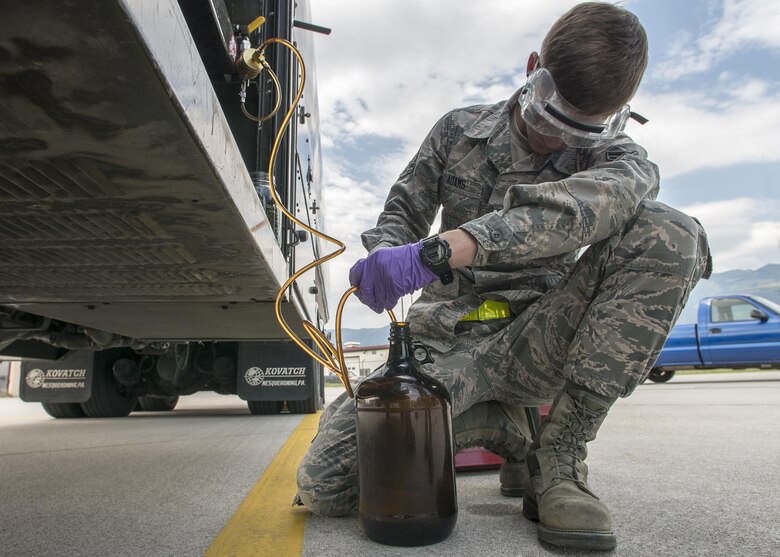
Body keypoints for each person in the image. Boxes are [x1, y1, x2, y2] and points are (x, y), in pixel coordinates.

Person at [296, 2, 711, 551]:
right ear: (532, 68)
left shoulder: (618, 158)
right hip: (446, 338)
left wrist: (448, 249)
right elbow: (402, 212)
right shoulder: (458, 130)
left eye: (577, 134)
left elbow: (599, 203)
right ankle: (512, 432)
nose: (556, 142)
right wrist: (390, 254)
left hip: (537, 339)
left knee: (671, 230)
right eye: (547, 118)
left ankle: (559, 459)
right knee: (326, 487)